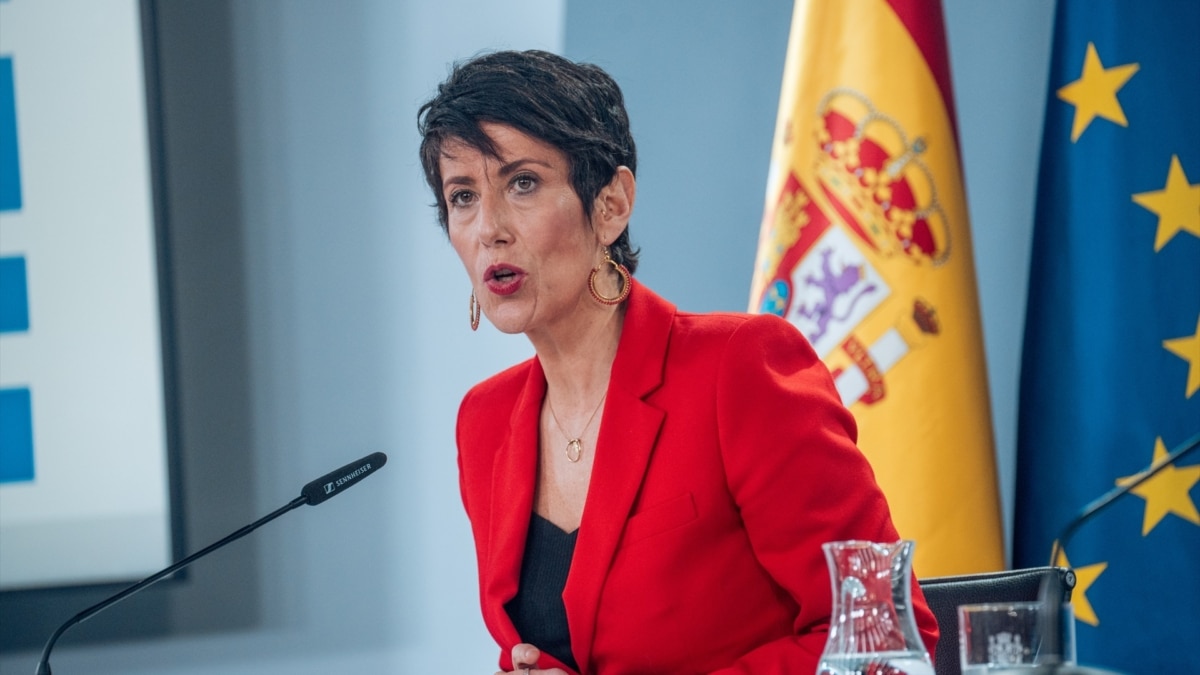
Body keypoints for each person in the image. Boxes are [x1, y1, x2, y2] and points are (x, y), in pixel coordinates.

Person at [417, 49, 939, 675]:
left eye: (522, 183)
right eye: (463, 196)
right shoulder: (485, 421)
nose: (488, 228)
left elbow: (883, 634)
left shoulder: (741, 369)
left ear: (611, 204)